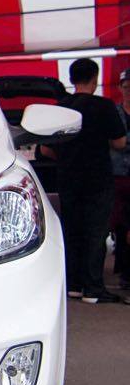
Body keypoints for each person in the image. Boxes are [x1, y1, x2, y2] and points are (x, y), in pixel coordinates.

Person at [47, 58, 127, 303]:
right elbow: (120, 142)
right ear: (95, 78)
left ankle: (74, 284)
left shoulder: (60, 108)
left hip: (68, 177)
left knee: (72, 229)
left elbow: (46, 149)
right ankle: (93, 288)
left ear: (71, 79)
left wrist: (67, 154)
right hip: (98, 177)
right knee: (96, 231)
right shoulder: (104, 106)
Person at [110, 68, 130, 287]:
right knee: (120, 224)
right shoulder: (114, 112)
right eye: (126, 87)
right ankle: (124, 270)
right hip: (118, 174)